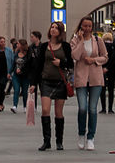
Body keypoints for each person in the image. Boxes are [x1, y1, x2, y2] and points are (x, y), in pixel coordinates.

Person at [34, 21, 73, 151]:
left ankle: (59, 141)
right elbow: (38, 65)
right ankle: (46, 141)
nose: (53, 30)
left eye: (56, 28)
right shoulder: (44, 46)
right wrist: (33, 83)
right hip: (46, 81)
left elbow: (70, 65)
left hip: (60, 82)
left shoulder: (65, 46)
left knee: (58, 112)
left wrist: (61, 63)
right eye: (52, 27)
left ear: (60, 31)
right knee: (45, 110)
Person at [71, 17, 108, 151]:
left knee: (92, 109)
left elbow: (105, 57)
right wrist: (81, 41)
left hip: (95, 77)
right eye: (84, 26)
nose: (87, 28)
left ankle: (90, 137)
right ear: (81, 26)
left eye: (89, 26)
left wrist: (94, 60)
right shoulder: (75, 40)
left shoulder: (98, 40)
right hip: (81, 77)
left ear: (92, 27)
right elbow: (74, 56)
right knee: (82, 107)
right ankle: (81, 134)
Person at [0, 36, 14, 113]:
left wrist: (11, 72)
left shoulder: (9, 51)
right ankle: (1, 103)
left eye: (4, 42)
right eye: (1, 42)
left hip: (5, 72)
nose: (3, 43)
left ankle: (1, 104)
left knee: (2, 86)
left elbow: (12, 61)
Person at [11, 39, 30, 113]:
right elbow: (13, 64)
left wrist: (22, 70)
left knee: (25, 91)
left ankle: (25, 106)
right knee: (16, 90)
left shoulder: (28, 54)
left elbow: (28, 65)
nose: (17, 45)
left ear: (22, 45)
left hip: (25, 76)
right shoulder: (16, 53)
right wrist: (10, 72)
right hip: (16, 75)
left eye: (18, 44)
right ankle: (14, 106)